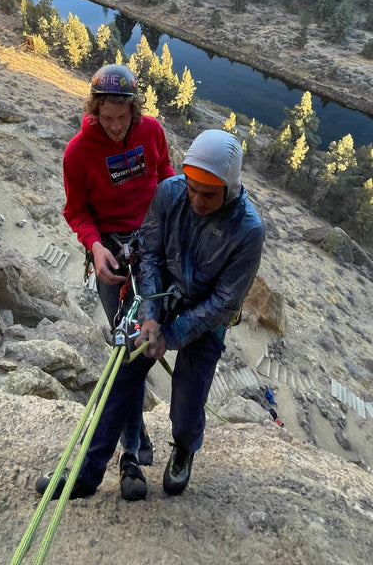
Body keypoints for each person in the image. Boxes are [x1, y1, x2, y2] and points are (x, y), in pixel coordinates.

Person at [40, 129, 264, 502]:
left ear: (230, 187)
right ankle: (86, 473)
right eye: (192, 188)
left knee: (188, 404)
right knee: (120, 376)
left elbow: (224, 302)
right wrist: (148, 316)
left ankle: (184, 446)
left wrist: (170, 337)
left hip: (206, 315)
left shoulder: (247, 230)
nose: (196, 200)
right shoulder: (170, 193)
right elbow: (149, 255)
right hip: (159, 295)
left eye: (208, 194)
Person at [61, 63, 175, 467]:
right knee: (126, 348)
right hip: (113, 256)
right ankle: (133, 443)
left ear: (134, 110)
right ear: (95, 110)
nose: (112, 126)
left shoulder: (151, 132)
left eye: (121, 117)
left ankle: (138, 440)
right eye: (104, 117)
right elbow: (76, 210)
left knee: (149, 340)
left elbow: (165, 178)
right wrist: (94, 246)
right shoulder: (79, 151)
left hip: (153, 248)